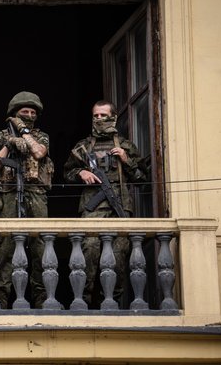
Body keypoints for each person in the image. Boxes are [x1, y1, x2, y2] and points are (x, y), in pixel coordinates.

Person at [63, 100, 147, 308]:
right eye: (96, 116)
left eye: (103, 115)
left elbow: (141, 178)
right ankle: (85, 304)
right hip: (92, 212)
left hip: (119, 211)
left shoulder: (125, 146)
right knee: (88, 255)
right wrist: (81, 172)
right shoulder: (83, 147)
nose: (99, 119)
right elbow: (66, 174)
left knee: (117, 261)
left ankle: (110, 305)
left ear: (113, 117)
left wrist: (126, 160)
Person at [0, 91, 54, 309]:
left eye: (34, 112)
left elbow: (39, 153)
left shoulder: (41, 136)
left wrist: (24, 133)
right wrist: (10, 142)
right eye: (25, 111)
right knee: (4, 248)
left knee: (40, 248)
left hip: (36, 195)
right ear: (14, 113)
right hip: (8, 195)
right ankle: (1, 298)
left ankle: (42, 298)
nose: (30, 115)